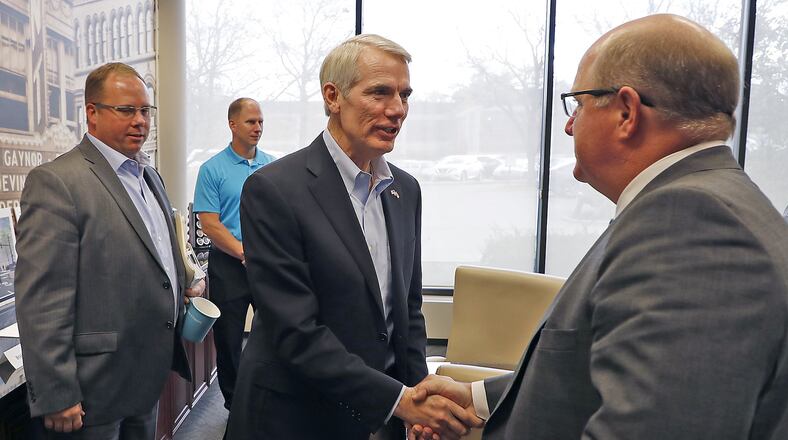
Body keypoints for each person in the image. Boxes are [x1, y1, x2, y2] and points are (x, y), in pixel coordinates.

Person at [411, 14, 788, 440]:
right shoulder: (699, 202)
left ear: (627, 112)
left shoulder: (691, 222)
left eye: (579, 104)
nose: (570, 125)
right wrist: (478, 398)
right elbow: (593, 368)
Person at [226, 34, 481, 440]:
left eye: (404, 95)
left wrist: (419, 402)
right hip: (295, 419)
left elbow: (408, 315)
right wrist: (399, 400)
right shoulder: (273, 189)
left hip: (383, 420)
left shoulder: (405, 190)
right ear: (333, 96)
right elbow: (295, 330)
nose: (397, 110)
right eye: (380, 92)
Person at [15, 62, 205, 439]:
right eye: (126, 110)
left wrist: (183, 279)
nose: (140, 121)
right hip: (91, 392)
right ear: (92, 113)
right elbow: (42, 299)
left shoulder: (150, 176)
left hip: (146, 378)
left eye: (145, 110)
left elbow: (153, 250)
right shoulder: (57, 182)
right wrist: (56, 392)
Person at [193, 97, 275, 410]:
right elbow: (210, 225)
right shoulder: (212, 169)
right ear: (232, 124)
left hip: (266, 264)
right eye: (251, 122)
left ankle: (269, 397)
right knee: (228, 340)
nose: (258, 128)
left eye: (261, 122)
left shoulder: (272, 166)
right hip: (229, 265)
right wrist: (244, 252)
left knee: (276, 332)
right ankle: (235, 404)